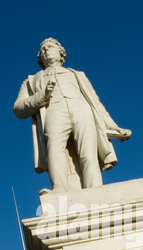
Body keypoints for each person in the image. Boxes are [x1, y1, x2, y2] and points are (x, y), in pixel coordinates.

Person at [13, 38, 131, 192]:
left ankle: (95, 189)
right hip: (54, 110)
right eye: (43, 50)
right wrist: (43, 95)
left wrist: (113, 126)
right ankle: (59, 189)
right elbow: (18, 108)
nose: (46, 51)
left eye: (50, 47)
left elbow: (96, 103)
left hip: (81, 108)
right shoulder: (30, 81)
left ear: (60, 53)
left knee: (88, 152)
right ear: (40, 58)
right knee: (54, 146)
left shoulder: (77, 74)